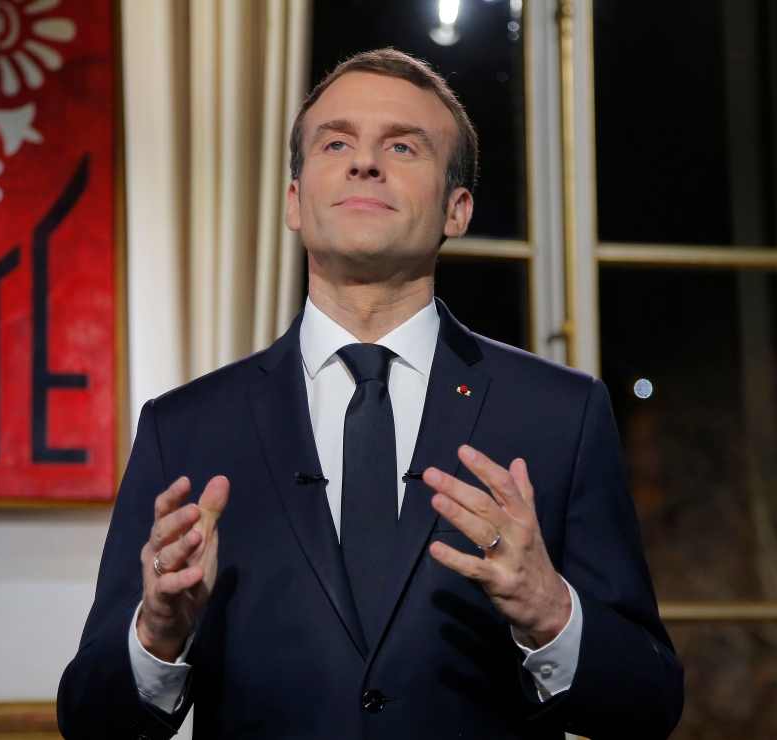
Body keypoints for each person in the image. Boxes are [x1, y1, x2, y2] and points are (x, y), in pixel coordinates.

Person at [58, 49, 683, 740]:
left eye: (402, 146)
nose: (364, 163)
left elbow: (649, 701)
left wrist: (551, 613)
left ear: (457, 207)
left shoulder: (560, 414)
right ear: (295, 202)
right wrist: (157, 633)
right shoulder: (184, 428)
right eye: (336, 143)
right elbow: (91, 720)